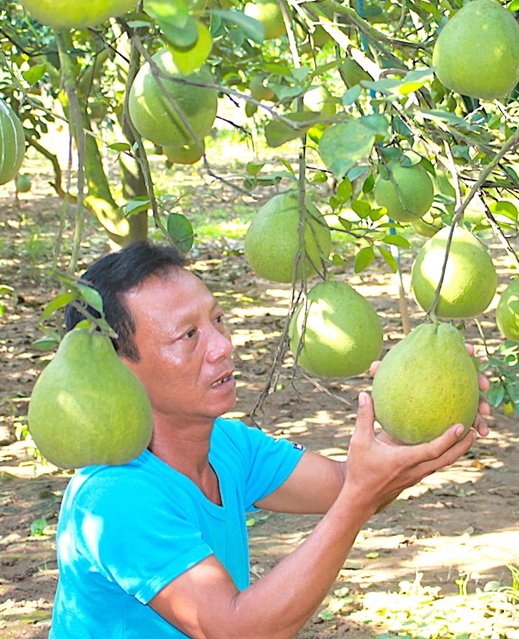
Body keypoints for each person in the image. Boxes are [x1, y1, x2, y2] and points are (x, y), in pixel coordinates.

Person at [50, 240, 490, 639]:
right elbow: (237, 629)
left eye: (217, 319)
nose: (223, 345)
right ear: (120, 366)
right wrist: (357, 498)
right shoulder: (114, 496)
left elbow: (344, 483)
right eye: (188, 335)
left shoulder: (226, 445)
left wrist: (420, 426)